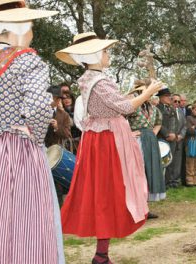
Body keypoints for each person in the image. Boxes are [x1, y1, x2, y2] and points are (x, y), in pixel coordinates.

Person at [56, 32, 163, 263]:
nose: (108, 54)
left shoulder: (89, 78)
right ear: (94, 53)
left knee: (104, 193)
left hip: (101, 137)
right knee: (110, 192)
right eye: (105, 51)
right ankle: (101, 254)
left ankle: (101, 254)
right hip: (107, 141)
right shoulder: (99, 80)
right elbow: (125, 108)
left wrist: (133, 94)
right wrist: (148, 92)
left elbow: (110, 106)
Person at [0, 1, 63, 263]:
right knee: (24, 219)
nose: (32, 32)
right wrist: (35, 139)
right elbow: (38, 107)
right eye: (31, 25)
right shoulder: (27, 60)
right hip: (18, 151)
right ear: (18, 26)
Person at [127, 80, 165, 219]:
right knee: (138, 173)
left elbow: (159, 122)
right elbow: (119, 120)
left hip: (150, 140)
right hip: (136, 141)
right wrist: (129, 133)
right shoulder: (132, 106)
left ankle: (145, 208)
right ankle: (135, 208)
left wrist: (152, 133)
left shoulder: (154, 108)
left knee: (150, 171)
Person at [156, 88, 179, 188]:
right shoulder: (157, 108)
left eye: (170, 95)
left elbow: (176, 123)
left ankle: (168, 182)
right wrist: (167, 134)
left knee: (170, 161)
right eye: (167, 96)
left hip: (172, 139)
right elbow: (158, 123)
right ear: (161, 97)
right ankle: (161, 183)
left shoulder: (172, 108)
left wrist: (174, 134)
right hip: (161, 139)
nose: (169, 97)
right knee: (161, 162)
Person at [170, 93, 187, 186]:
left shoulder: (181, 112)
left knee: (177, 161)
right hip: (170, 140)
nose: (177, 103)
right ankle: (168, 181)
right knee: (170, 161)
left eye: (178, 101)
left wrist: (181, 135)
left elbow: (184, 125)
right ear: (171, 100)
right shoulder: (168, 110)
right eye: (175, 101)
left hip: (179, 140)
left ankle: (175, 181)